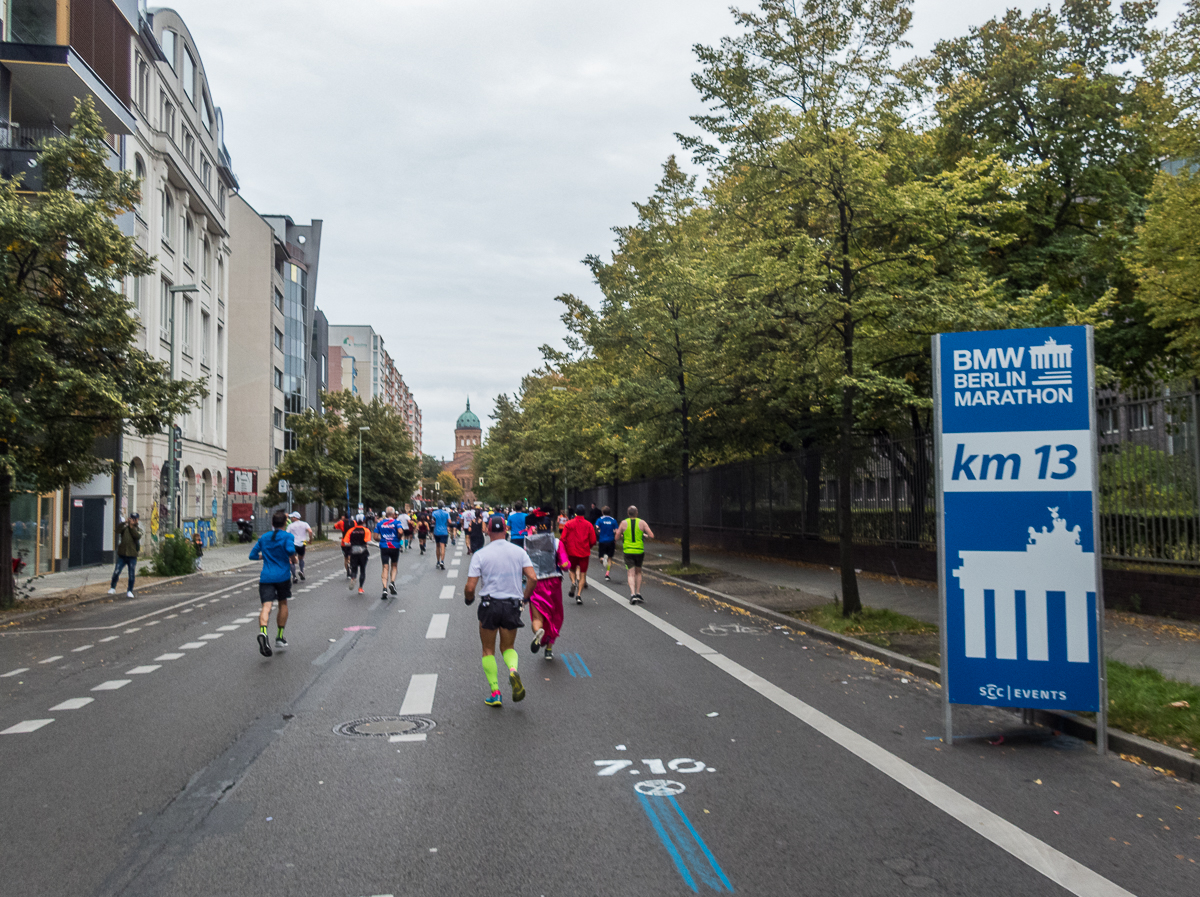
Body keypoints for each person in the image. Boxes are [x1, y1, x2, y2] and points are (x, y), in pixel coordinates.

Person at [465, 515, 536, 706]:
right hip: (512, 605)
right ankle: (513, 670)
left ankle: (495, 692)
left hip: (490, 605)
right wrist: (525, 598)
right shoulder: (519, 552)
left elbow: (470, 587)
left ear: (488, 531)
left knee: (488, 649)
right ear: (506, 530)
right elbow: (533, 578)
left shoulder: (480, 554)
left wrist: (468, 599)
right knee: (508, 648)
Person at [249, 509, 296, 656]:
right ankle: (280, 637)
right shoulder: (287, 536)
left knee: (266, 606)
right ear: (284, 523)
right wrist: (293, 558)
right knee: (283, 604)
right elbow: (290, 550)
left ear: (272, 523)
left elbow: (252, 555)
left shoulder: (264, 538)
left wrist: (263, 557)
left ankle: (263, 632)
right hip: (282, 577)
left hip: (266, 577)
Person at [525, 507, 568, 660]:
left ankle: (538, 632)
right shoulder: (556, 543)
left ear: (537, 527)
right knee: (555, 615)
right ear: (550, 527)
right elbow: (565, 565)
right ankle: (549, 649)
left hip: (536, 583)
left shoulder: (528, 543)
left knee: (537, 618)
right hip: (554, 583)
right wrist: (564, 565)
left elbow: (525, 566)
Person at [615, 505, 655, 604]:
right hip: (639, 550)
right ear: (637, 513)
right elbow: (651, 535)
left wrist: (621, 534)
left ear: (628, 514)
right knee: (638, 572)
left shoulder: (624, 523)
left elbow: (616, 537)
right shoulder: (642, 522)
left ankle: (632, 594)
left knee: (630, 573)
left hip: (628, 550)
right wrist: (643, 535)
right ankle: (638, 593)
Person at [560, 503, 598, 604]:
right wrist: (588, 547)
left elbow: (563, 538)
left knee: (571, 570)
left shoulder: (569, 524)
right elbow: (593, 540)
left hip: (571, 552)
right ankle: (579, 595)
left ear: (575, 512)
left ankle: (573, 582)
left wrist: (564, 548)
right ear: (584, 513)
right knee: (583, 574)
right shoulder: (589, 525)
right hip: (584, 552)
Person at [108, 512, 141, 598]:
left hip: (132, 555)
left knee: (131, 574)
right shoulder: (125, 527)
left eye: (134, 519)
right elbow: (117, 530)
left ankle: (130, 590)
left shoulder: (138, 529)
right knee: (116, 571)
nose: (133, 520)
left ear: (137, 520)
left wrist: (131, 527)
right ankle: (112, 587)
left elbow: (137, 536)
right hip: (122, 554)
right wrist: (124, 523)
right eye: (131, 518)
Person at [375, 507, 403, 600]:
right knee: (394, 566)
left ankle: (384, 588)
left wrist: (382, 539)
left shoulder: (380, 523)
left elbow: (375, 537)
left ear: (386, 514)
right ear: (394, 514)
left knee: (385, 567)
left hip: (384, 547)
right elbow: (400, 531)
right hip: (394, 546)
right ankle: (392, 582)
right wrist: (398, 538)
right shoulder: (397, 522)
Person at [342, 513, 373, 594]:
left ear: (356, 521)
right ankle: (360, 588)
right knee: (363, 570)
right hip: (363, 552)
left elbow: (345, 542)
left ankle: (353, 577)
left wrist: (351, 544)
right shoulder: (366, 530)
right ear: (363, 521)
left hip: (353, 552)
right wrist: (377, 545)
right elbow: (368, 542)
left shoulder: (351, 530)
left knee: (354, 568)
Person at [286, 511, 314, 583]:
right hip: (303, 543)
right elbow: (310, 531)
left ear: (295, 518)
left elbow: (286, 535)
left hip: (293, 543)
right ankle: (301, 571)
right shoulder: (305, 524)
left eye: (292, 517)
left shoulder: (291, 526)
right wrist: (310, 539)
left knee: (291, 560)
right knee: (301, 558)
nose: (291, 518)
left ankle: (294, 576)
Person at [595, 506, 618, 582]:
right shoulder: (613, 520)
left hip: (602, 541)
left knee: (600, 556)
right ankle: (607, 574)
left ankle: (602, 559)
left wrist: (599, 531)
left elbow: (597, 527)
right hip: (611, 541)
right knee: (610, 558)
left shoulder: (600, 520)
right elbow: (616, 531)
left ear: (602, 512)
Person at [431, 501, 451, 569]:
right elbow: (450, 521)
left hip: (437, 531)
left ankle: (438, 561)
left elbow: (432, 521)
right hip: (444, 531)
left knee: (437, 547)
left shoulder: (434, 513)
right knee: (443, 547)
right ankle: (442, 561)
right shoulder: (446, 513)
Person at [334, 512, 352, 576]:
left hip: (344, 542)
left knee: (345, 557)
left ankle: (347, 570)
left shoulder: (341, 522)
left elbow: (335, 526)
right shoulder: (354, 522)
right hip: (352, 542)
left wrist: (341, 520)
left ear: (344, 516)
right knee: (351, 555)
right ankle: (350, 564)